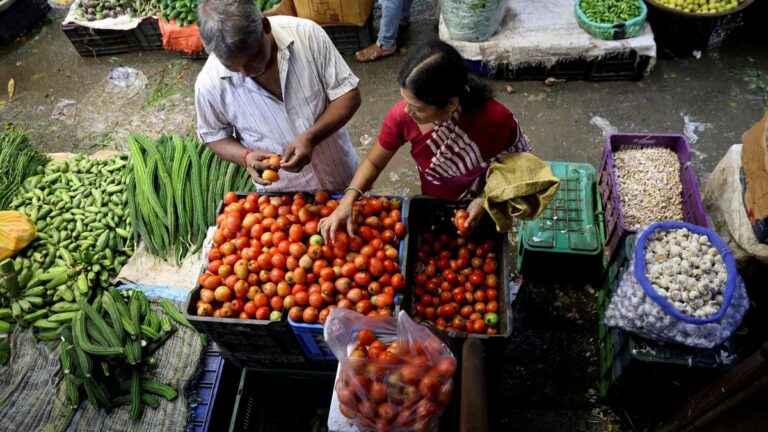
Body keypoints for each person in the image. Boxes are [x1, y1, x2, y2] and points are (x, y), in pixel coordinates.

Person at [320, 40, 531, 242]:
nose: (406, 111)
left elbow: (519, 168)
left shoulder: (495, 120)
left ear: (450, 104)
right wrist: (348, 200)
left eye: (417, 108)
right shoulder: (402, 117)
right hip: (435, 197)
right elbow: (373, 162)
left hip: (489, 198)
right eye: (405, 100)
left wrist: (484, 201)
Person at [195, 0, 362, 192]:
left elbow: (349, 95)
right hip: (282, 196)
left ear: (265, 26)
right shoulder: (209, 84)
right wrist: (246, 156)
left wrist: (311, 136)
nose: (247, 71)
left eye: (253, 58)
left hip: (340, 174)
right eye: (231, 66)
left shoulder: (307, 36)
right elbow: (214, 136)